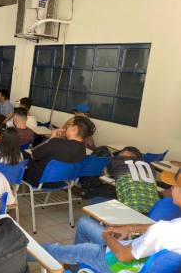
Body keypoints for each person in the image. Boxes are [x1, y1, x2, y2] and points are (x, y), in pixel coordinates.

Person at [39, 168, 181, 273]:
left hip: (121, 263)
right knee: (84, 223)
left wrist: (107, 237)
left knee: (59, 250)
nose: (171, 188)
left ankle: (26, 251)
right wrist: (131, 228)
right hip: (137, 254)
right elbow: (161, 227)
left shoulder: (164, 231)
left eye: (175, 186)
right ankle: (77, 265)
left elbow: (122, 255)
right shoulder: (170, 227)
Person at [23, 116, 92, 187]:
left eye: (69, 125)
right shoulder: (83, 150)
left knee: (23, 154)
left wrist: (51, 138)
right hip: (60, 183)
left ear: (74, 128)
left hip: (38, 180)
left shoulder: (56, 142)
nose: (67, 128)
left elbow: (34, 154)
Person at [106, 146, 160, 214]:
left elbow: (107, 173)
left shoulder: (116, 161)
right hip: (154, 211)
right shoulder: (150, 167)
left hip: (129, 209)